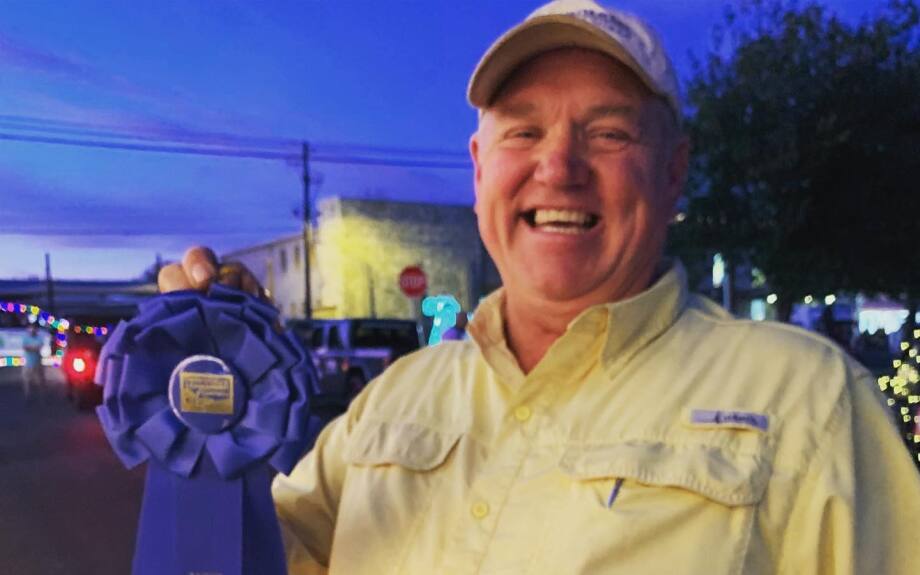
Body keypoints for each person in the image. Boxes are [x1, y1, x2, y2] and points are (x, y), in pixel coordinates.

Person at [159, 1, 920, 573]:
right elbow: (259, 553)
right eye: (523, 131)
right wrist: (210, 383)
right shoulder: (392, 401)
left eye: (609, 133)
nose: (559, 166)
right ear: (480, 166)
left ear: (675, 168)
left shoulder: (811, 403)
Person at [21, 322, 47, 402]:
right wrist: (33, 348)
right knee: (27, 381)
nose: (32, 330)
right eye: (30, 328)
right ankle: (27, 397)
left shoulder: (39, 338)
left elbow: (39, 347)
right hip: (28, 363)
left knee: (40, 381)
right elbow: (25, 347)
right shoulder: (25, 338)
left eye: (34, 328)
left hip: (38, 363)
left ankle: (42, 398)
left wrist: (31, 348)